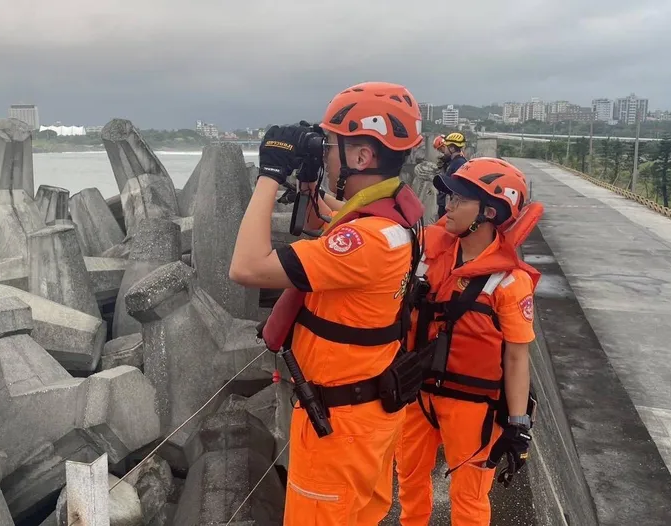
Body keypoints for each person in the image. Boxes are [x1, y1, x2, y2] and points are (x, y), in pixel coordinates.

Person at [229, 81, 425, 524]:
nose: (326, 154)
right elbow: (334, 215)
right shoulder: (396, 214)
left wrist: (269, 174)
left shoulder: (367, 242)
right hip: (370, 414)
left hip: (338, 429)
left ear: (361, 156)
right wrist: (308, 181)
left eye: (332, 146)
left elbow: (246, 266)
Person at [396, 157, 541, 526]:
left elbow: (516, 358)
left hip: (473, 406)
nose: (449, 206)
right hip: (415, 392)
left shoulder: (509, 282)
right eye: (450, 197)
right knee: (409, 481)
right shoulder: (427, 249)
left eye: (460, 200)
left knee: (469, 495)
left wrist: (518, 423)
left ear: (489, 211)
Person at [436, 132, 468, 219]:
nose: (444, 150)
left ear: (452, 149)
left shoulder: (458, 163)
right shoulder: (454, 162)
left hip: (452, 204)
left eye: (445, 147)